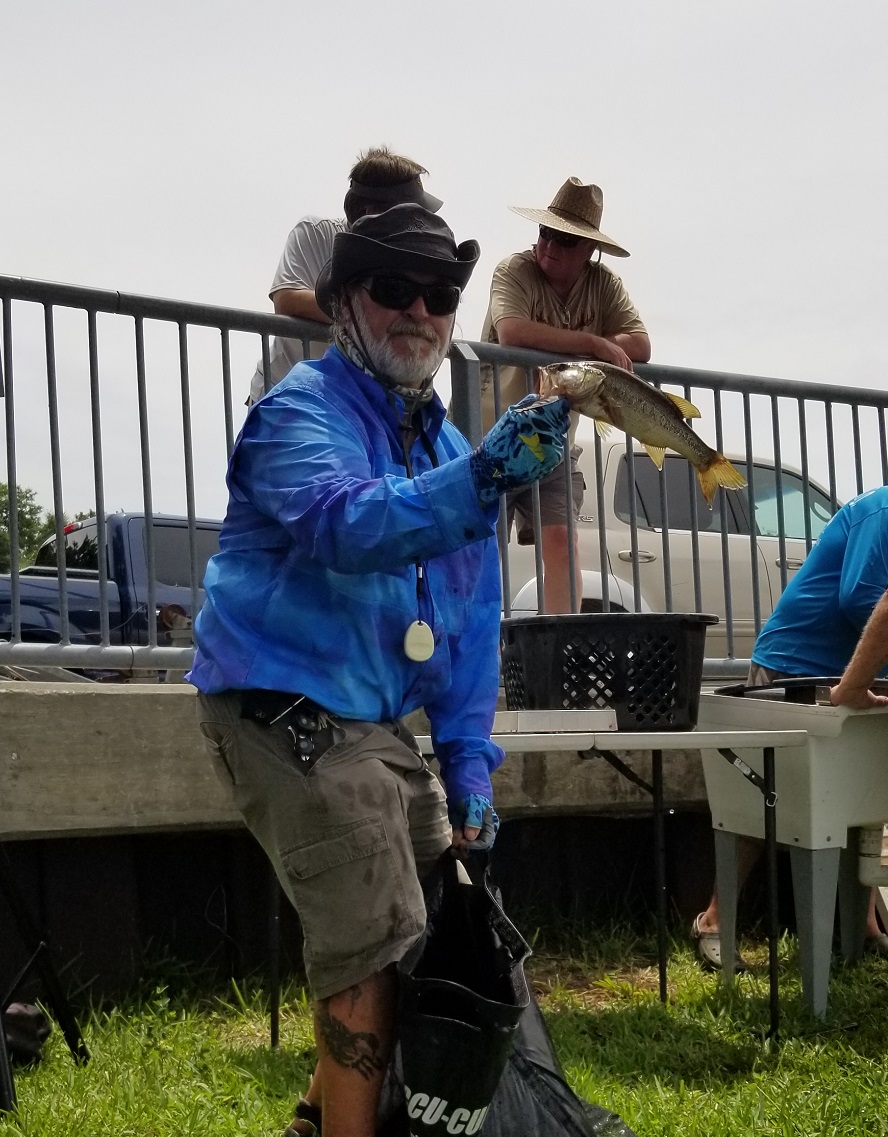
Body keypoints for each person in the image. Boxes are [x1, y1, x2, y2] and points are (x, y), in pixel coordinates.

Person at [189, 203, 571, 1137]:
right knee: (369, 935)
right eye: (394, 289)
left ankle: (311, 1120)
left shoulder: (447, 447)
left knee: (437, 910)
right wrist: (481, 480)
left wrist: (469, 765)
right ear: (340, 305)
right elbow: (343, 521)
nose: (420, 312)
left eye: (440, 295)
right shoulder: (297, 412)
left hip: (367, 723)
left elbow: (469, 623)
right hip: (277, 705)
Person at [692, 486, 888, 969]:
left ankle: (863, 926)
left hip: (859, 676)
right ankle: (715, 920)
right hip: (793, 665)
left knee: (862, 793)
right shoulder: (881, 510)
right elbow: (861, 596)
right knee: (761, 799)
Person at [479, 176, 651, 613]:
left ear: (589, 250)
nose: (550, 245)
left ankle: (560, 643)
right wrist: (594, 344)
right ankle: (481, 645)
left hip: (550, 445)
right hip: (489, 438)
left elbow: (640, 344)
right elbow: (512, 331)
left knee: (562, 542)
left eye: (565, 239)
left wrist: (597, 347)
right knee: (480, 550)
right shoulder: (513, 270)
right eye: (545, 232)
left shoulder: (604, 284)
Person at [248, 146, 443, 404]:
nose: (421, 222)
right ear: (372, 211)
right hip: (286, 394)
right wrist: (373, 312)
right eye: (412, 212)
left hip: (355, 402)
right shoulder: (317, 231)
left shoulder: (406, 259)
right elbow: (287, 298)